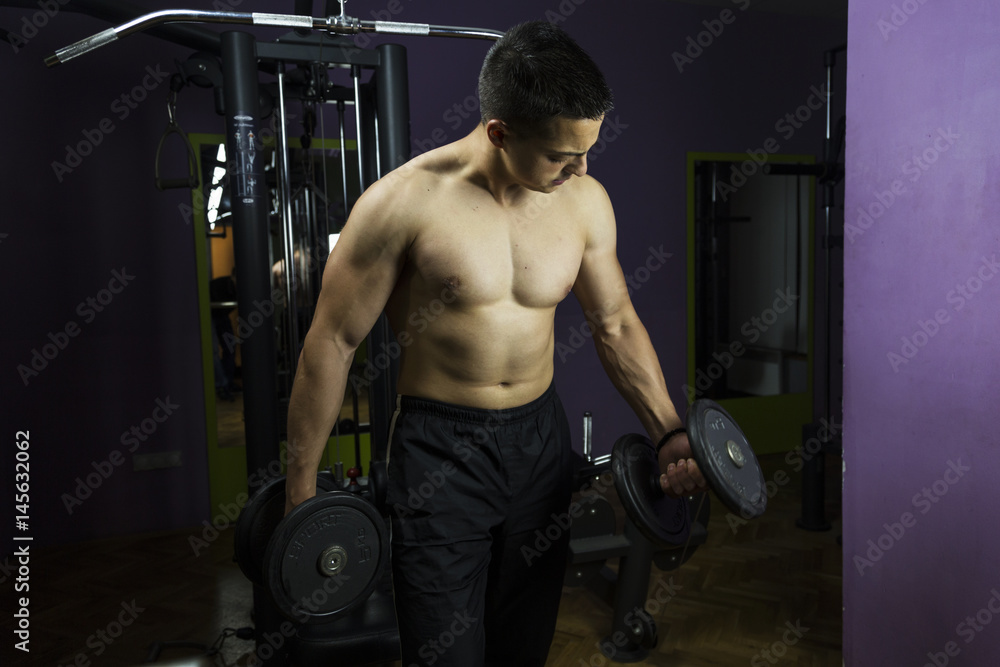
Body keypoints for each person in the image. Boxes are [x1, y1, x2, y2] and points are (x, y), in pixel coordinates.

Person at [284, 20, 707, 667]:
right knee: (444, 652)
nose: (582, 168)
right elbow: (332, 344)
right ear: (499, 132)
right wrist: (300, 492)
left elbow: (615, 321)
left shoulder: (585, 203)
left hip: (538, 442)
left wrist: (669, 429)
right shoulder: (401, 205)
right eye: (563, 155)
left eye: (588, 150)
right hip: (440, 453)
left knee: (524, 643)